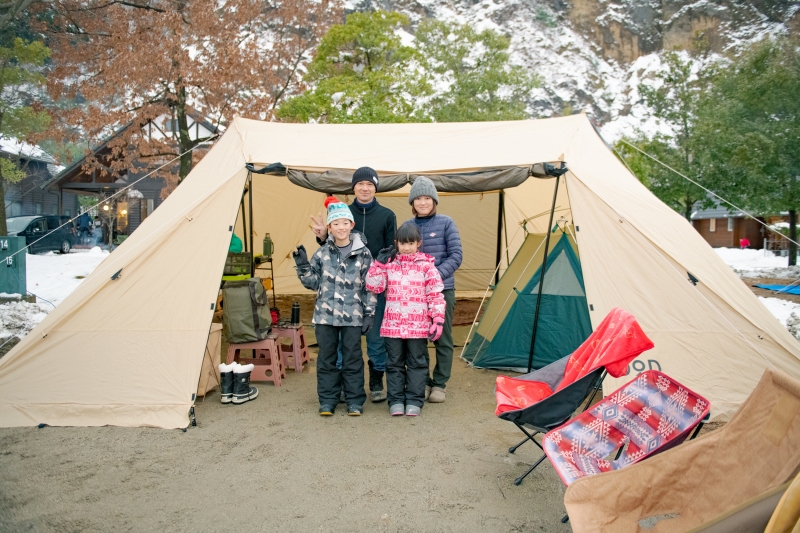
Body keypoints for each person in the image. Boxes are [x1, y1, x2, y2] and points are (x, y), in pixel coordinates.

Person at [311, 167, 397, 402]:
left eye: (370, 184)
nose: (365, 188)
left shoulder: (387, 215)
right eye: (360, 184)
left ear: (375, 187)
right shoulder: (343, 212)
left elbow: (392, 252)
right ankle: (339, 386)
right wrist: (320, 237)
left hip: (373, 288)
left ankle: (376, 380)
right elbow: (331, 244)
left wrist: (380, 272)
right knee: (341, 342)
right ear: (354, 187)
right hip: (342, 289)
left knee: (376, 338)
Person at [295, 196, 376, 416]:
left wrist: (369, 313)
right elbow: (312, 283)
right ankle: (328, 400)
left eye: (345, 222)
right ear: (329, 227)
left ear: (352, 225)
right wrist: (302, 265)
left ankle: (354, 401)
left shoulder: (364, 254)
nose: (341, 227)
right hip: (325, 317)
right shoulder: (322, 253)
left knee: (352, 358)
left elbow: (370, 286)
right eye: (336, 223)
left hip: (353, 315)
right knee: (326, 358)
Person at [366, 223, 445, 416]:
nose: (407, 247)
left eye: (411, 243)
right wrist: (378, 265)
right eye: (403, 243)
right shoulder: (389, 265)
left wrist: (437, 319)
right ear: (396, 243)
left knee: (417, 362)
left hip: (418, 326)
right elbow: (374, 287)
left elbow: (435, 293)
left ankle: (414, 400)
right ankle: (396, 400)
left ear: (418, 243)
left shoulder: (427, 266)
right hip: (393, 325)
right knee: (394, 363)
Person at [405, 176, 462, 404]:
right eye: (418, 198)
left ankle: (439, 384)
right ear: (412, 202)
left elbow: (456, 255)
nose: (423, 202)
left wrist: (433, 277)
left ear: (434, 200)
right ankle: (424, 381)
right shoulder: (407, 226)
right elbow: (401, 256)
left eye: (427, 198)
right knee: (418, 340)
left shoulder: (446, 223)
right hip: (414, 295)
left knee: (443, 338)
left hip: (442, 291)